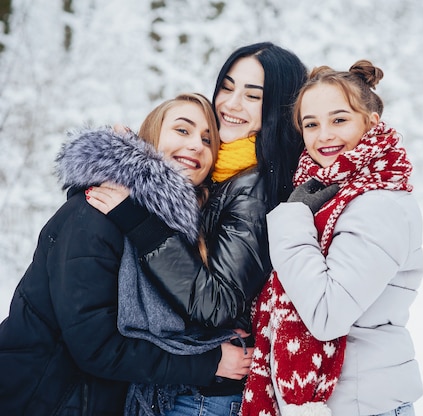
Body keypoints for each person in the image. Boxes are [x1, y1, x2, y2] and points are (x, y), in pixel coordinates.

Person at [85, 42, 308, 415]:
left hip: (204, 398)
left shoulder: (253, 185)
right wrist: (131, 157)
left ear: (278, 108)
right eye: (227, 87)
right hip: (187, 386)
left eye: (252, 96)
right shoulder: (224, 169)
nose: (230, 104)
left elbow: (217, 303)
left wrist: (141, 225)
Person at [0, 93, 251, 416]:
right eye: (182, 130)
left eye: (207, 139)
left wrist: (211, 337)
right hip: (44, 396)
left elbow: (165, 315)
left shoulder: (162, 229)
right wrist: (207, 362)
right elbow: (95, 346)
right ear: (150, 136)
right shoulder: (94, 212)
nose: (197, 145)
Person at [241, 60, 423, 416]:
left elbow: (326, 313)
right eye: (311, 124)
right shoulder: (327, 195)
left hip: (362, 403)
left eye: (339, 120)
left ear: (371, 123)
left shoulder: (379, 204)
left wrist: (292, 217)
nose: (324, 135)